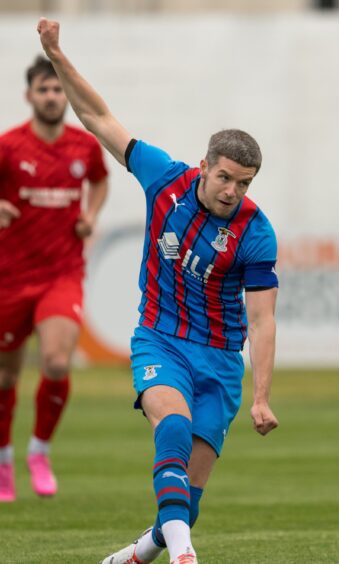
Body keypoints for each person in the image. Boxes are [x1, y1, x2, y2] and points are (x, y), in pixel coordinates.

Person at [37, 18, 279, 564]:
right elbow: (99, 116)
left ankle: (142, 552)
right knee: (171, 426)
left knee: (185, 501)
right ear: (204, 166)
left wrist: (262, 395)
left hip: (220, 361)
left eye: (244, 183)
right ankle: (185, 557)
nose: (232, 190)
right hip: (161, 340)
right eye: (225, 178)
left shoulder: (256, 232)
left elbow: (263, 320)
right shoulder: (164, 178)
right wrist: (55, 54)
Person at [0, 55, 109, 502]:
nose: (51, 96)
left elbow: (100, 182)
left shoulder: (84, 147)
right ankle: (3, 462)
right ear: (29, 96)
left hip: (62, 273)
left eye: (57, 89)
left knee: (58, 362)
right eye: (42, 90)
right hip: (10, 275)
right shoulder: (8, 146)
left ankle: (39, 452)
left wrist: (90, 214)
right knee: (6, 378)